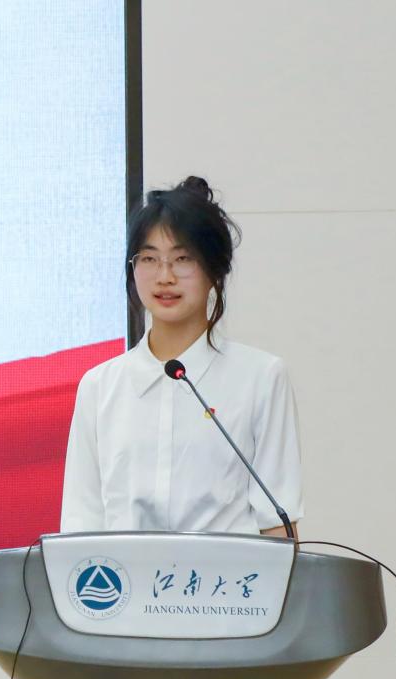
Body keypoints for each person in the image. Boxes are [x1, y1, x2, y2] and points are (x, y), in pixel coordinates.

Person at [60, 176, 304, 537]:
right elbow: (81, 524)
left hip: (227, 574)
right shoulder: (100, 386)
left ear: (215, 270)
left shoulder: (261, 378)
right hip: (126, 574)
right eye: (149, 258)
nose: (165, 276)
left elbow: (277, 526)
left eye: (183, 259)